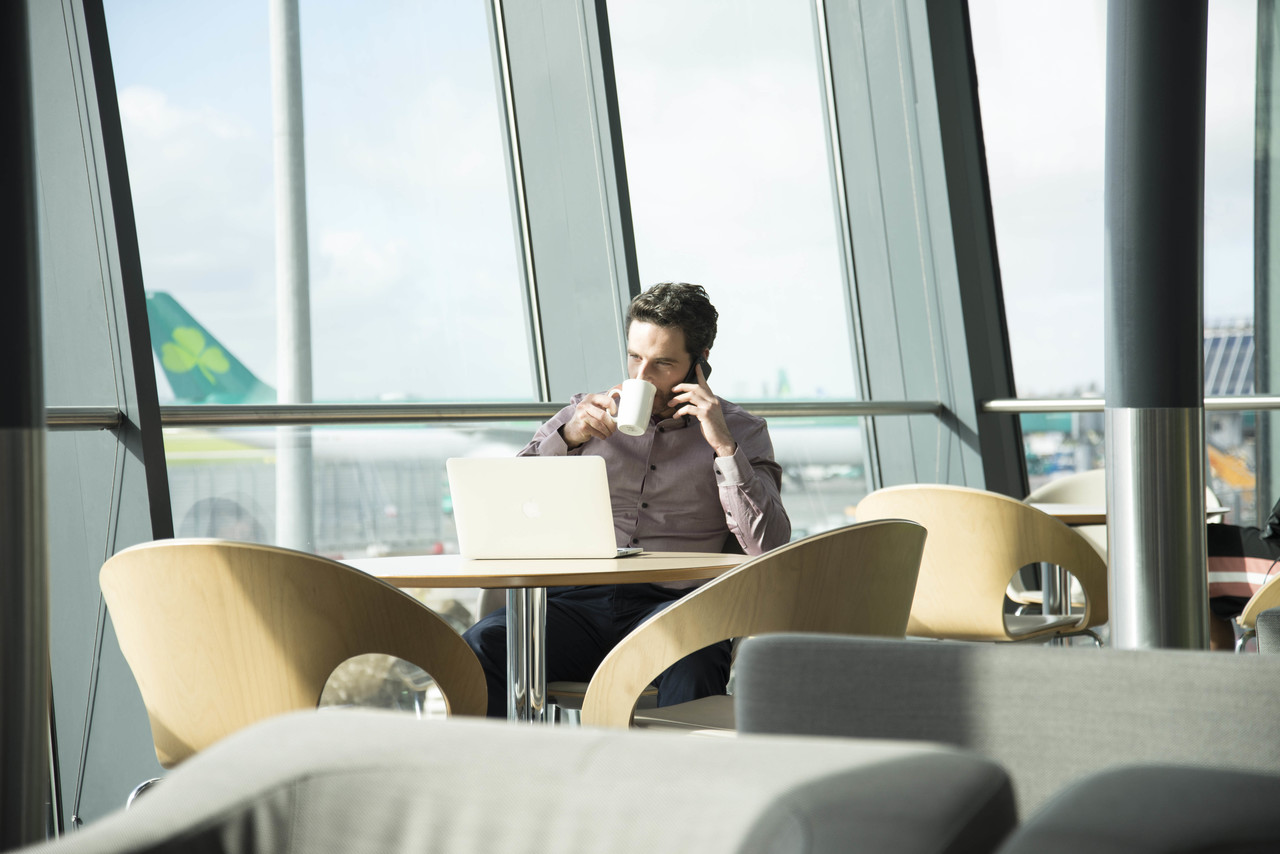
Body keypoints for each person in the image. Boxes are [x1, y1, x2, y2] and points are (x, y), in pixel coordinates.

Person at [463, 282, 791, 717]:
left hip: (676, 610)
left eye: (662, 364)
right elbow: (508, 503)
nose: (641, 378)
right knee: (483, 647)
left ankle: (673, 784)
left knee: (695, 668)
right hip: (578, 604)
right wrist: (567, 438)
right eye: (635, 358)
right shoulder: (586, 415)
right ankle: (504, 779)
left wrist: (724, 448)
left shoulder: (741, 431)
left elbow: (770, 545)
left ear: (700, 361)